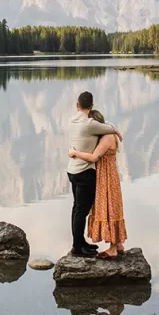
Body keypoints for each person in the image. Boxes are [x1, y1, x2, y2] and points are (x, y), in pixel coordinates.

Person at [65, 92, 121, 257]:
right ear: (91, 106)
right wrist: (116, 130)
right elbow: (109, 127)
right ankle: (77, 246)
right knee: (81, 211)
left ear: (77, 105)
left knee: (76, 208)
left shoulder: (71, 121)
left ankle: (80, 242)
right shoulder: (90, 124)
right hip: (85, 172)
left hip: (72, 170)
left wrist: (73, 153)